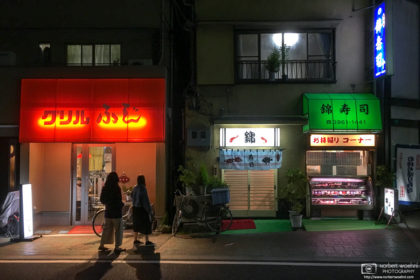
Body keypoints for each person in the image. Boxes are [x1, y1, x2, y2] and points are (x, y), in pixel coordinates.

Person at [98, 172, 125, 253]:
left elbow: (102, 200)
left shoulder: (105, 188)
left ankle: (101, 245)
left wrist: (108, 203)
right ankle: (117, 247)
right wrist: (121, 205)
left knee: (106, 229)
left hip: (108, 212)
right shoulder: (117, 188)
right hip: (116, 213)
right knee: (118, 230)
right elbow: (118, 200)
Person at [131, 175, 154, 246]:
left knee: (136, 224)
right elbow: (145, 200)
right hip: (142, 209)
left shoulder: (135, 188)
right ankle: (147, 241)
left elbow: (132, 196)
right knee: (146, 224)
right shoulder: (143, 188)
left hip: (135, 208)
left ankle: (135, 240)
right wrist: (149, 210)